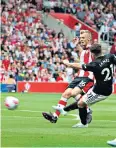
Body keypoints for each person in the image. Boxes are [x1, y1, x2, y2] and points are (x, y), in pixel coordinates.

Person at [42, 30, 94, 125]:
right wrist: (77, 44)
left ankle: (86, 110)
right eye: (80, 37)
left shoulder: (92, 49)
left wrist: (69, 64)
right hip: (79, 77)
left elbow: (86, 64)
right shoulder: (85, 51)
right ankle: (55, 117)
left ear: (89, 39)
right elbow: (83, 55)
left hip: (87, 78)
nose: (81, 39)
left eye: (83, 38)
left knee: (72, 93)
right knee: (66, 94)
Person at [62, 43, 116, 127]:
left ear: (92, 54)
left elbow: (79, 66)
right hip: (105, 86)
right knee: (82, 100)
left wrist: (68, 64)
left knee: (81, 103)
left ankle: (83, 123)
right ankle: (65, 110)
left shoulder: (95, 64)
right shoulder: (110, 56)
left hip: (101, 91)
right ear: (101, 50)